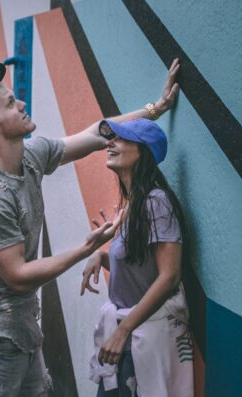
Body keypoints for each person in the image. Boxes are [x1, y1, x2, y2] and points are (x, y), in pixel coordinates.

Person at [0, 58, 180, 397]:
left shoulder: (31, 157)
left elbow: (96, 132)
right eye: (10, 103)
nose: (22, 103)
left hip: (23, 330)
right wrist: (86, 249)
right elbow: (16, 275)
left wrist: (155, 108)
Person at [81, 119, 193, 396]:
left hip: (137, 339)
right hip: (126, 340)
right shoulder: (134, 204)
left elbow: (169, 276)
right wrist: (101, 256)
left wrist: (122, 331)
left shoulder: (156, 202)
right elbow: (140, 264)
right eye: (111, 139)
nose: (110, 143)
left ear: (143, 152)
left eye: (121, 139)